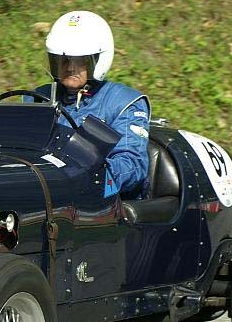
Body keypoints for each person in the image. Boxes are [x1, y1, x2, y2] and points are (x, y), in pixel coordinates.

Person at [29, 11, 151, 197]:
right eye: (63, 59)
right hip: (38, 188)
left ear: (98, 60)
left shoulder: (124, 103)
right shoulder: (38, 97)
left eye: (79, 60)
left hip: (99, 205)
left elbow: (132, 166)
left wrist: (90, 173)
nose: (70, 67)